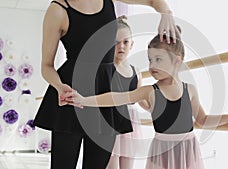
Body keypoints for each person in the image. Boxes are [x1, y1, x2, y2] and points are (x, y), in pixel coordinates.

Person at [64, 26, 228, 169]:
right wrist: (84, 100)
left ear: (176, 60)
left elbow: (203, 120)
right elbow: (116, 98)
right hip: (161, 153)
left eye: (158, 60)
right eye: (150, 60)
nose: (152, 65)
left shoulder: (190, 89)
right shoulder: (149, 91)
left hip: (187, 151)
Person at [33, 0, 178, 168]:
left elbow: (153, 1)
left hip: (106, 93)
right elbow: (46, 66)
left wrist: (166, 12)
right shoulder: (58, 10)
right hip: (71, 93)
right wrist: (59, 86)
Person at [106, 15, 147, 169]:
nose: (121, 47)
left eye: (125, 42)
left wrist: (156, 107)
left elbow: (140, 98)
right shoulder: (107, 69)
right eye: (116, 43)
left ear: (132, 44)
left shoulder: (136, 71)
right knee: (112, 165)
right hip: (111, 121)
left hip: (130, 124)